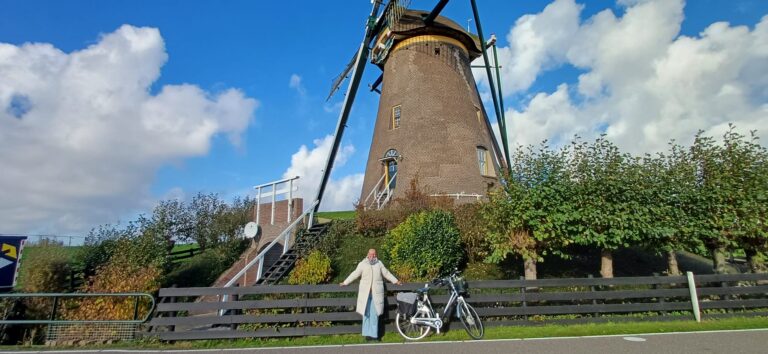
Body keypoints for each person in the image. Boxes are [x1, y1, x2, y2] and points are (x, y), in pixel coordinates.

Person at [340, 248, 402, 341]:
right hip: (365, 294)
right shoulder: (362, 264)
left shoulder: (379, 264)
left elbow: (386, 273)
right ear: (367, 254)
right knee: (366, 314)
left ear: (376, 255)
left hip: (376, 295)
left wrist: (396, 281)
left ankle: (374, 335)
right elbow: (355, 273)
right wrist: (345, 282)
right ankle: (367, 335)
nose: (372, 256)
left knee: (374, 314)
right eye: (371, 254)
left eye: (374, 254)